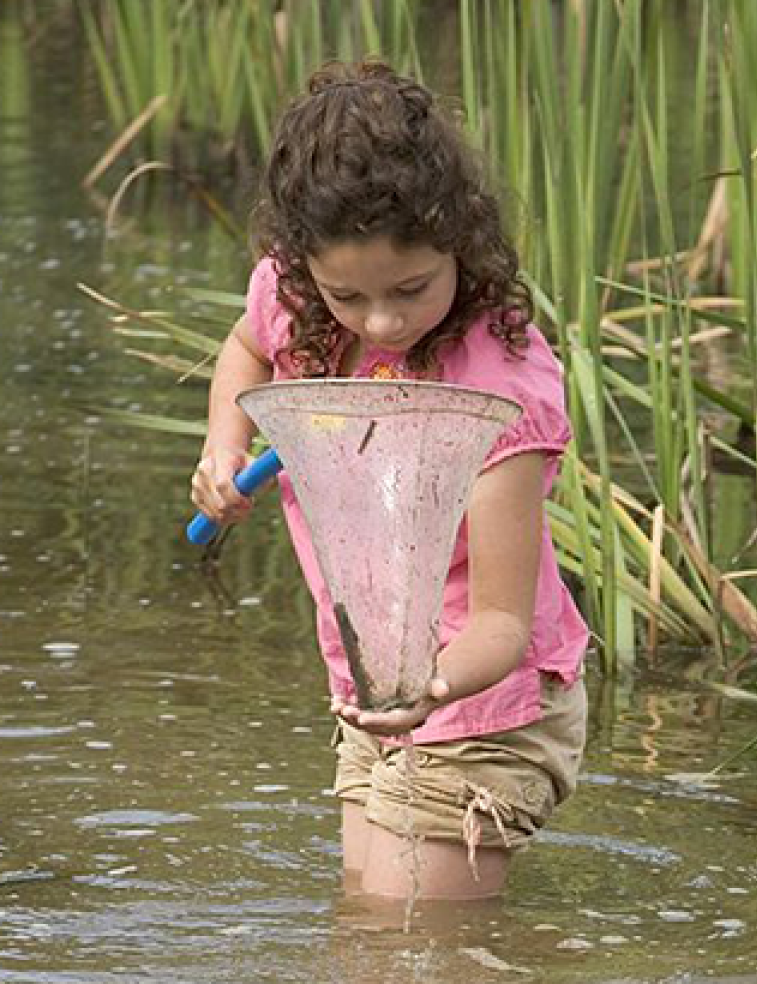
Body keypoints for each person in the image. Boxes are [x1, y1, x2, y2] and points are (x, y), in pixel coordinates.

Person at [189, 60, 589, 902]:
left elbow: (504, 623)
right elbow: (246, 346)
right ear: (305, 267)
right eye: (350, 296)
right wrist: (224, 446)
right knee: (367, 920)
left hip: (488, 704)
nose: (383, 322)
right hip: (373, 687)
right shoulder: (296, 300)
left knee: (404, 940)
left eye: (411, 289)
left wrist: (430, 688)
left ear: (460, 241)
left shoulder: (496, 391)